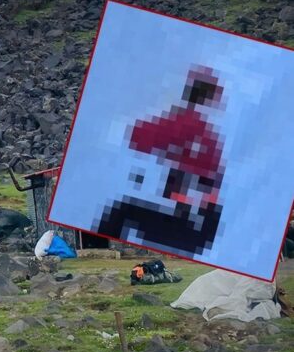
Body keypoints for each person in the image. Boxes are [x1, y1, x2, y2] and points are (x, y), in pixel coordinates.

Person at [96, 65, 226, 256]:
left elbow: (137, 136)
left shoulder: (186, 123)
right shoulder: (210, 135)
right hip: (203, 226)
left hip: (190, 223)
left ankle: (101, 254)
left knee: (120, 212)